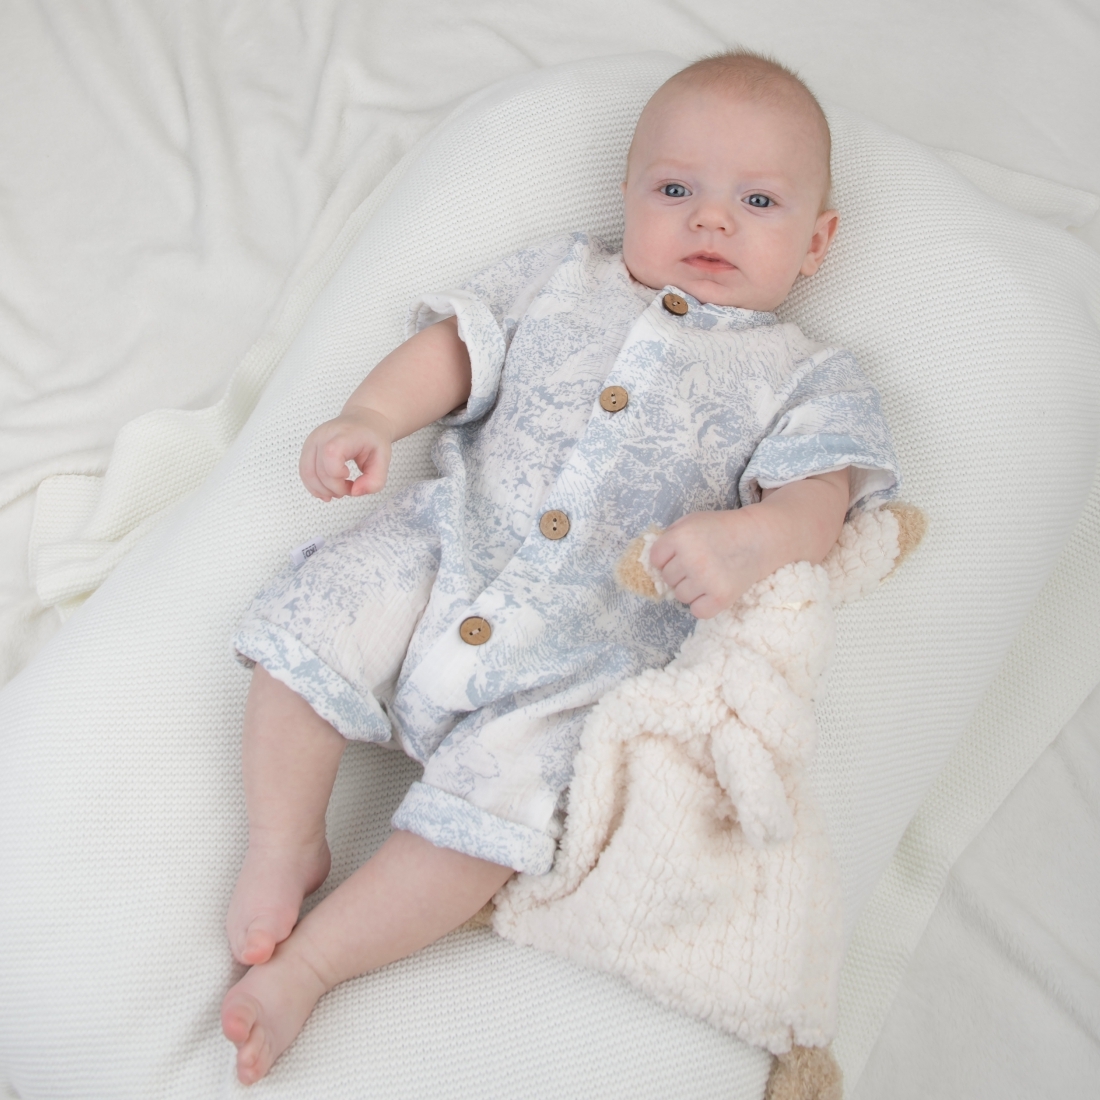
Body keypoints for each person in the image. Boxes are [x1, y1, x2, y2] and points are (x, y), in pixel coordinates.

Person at [221, 48, 899, 1084]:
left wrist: (750, 539)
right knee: (309, 618)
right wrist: (370, 416)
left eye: (757, 201)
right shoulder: (562, 279)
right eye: (675, 190)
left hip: (586, 653)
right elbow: (455, 352)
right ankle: (283, 842)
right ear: (626, 197)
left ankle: (313, 963)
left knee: (498, 817)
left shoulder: (803, 376)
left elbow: (821, 501)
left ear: (817, 241)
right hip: (451, 548)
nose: (711, 220)